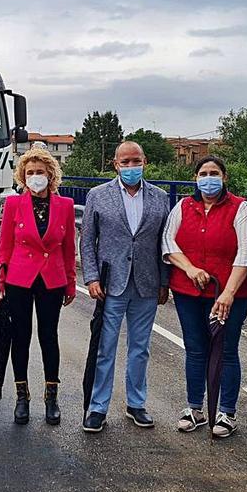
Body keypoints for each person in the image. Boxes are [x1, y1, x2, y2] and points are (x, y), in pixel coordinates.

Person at [80, 141, 171, 433]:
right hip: (110, 284)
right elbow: (87, 240)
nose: (131, 166)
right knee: (105, 348)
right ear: (115, 164)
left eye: (136, 161)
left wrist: (164, 281)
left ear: (144, 161)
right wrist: (92, 277)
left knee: (140, 348)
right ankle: (97, 407)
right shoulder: (98, 195)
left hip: (147, 283)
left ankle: (136, 403)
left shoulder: (159, 197)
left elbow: (164, 243)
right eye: (125, 162)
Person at [162, 155, 247, 438]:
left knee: (226, 351)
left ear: (224, 177)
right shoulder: (183, 206)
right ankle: (194, 408)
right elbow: (168, 241)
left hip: (229, 295)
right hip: (188, 292)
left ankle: (227, 412)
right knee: (195, 349)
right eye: (203, 173)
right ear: (195, 178)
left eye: (214, 172)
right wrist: (189, 268)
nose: (208, 178)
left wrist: (227, 293)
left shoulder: (241, 208)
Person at [0, 146, 77, 425]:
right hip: (19, 278)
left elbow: (67, 249)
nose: (35, 176)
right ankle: (21, 396)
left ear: (50, 175)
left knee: (49, 337)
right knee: (21, 336)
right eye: (30, 173)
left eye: (40, 172)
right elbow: (4, 247)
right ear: (22, 176)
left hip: (52, 279)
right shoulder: (14, 204)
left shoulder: (64, 206)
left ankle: (51, 397)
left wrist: (71, 284)